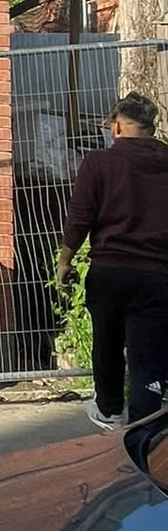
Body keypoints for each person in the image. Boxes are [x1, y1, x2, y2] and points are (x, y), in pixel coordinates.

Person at [59, 91, 168, 428]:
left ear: (118, 127)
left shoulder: (98, 163)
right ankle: (146, 424)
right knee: (147, 354)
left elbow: (81, 216)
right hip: (157, 273)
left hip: (110, 270)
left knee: (107, 342)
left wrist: (65, 259)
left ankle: (109, 408)